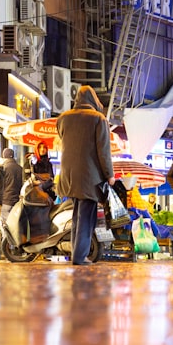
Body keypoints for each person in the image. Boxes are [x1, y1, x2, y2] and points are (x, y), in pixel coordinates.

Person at [57, 85, 115, 265]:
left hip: (68, 175)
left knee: (77, 215)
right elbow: (103, 151)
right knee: (86, 218)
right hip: (90, 177)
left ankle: (77, 253)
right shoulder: (98, 119)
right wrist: (109, 174)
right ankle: (79, 257)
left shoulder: (63, 118)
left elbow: (62, 137)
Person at [0, 148, 24, 253]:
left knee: (6, 226)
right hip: (17, 202)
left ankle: (9, 249)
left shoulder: (3, 168)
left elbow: (0, 186)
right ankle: (17, 248)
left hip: (6, 201)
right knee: (16, 225)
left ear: (4, 156)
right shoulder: (20, 168)